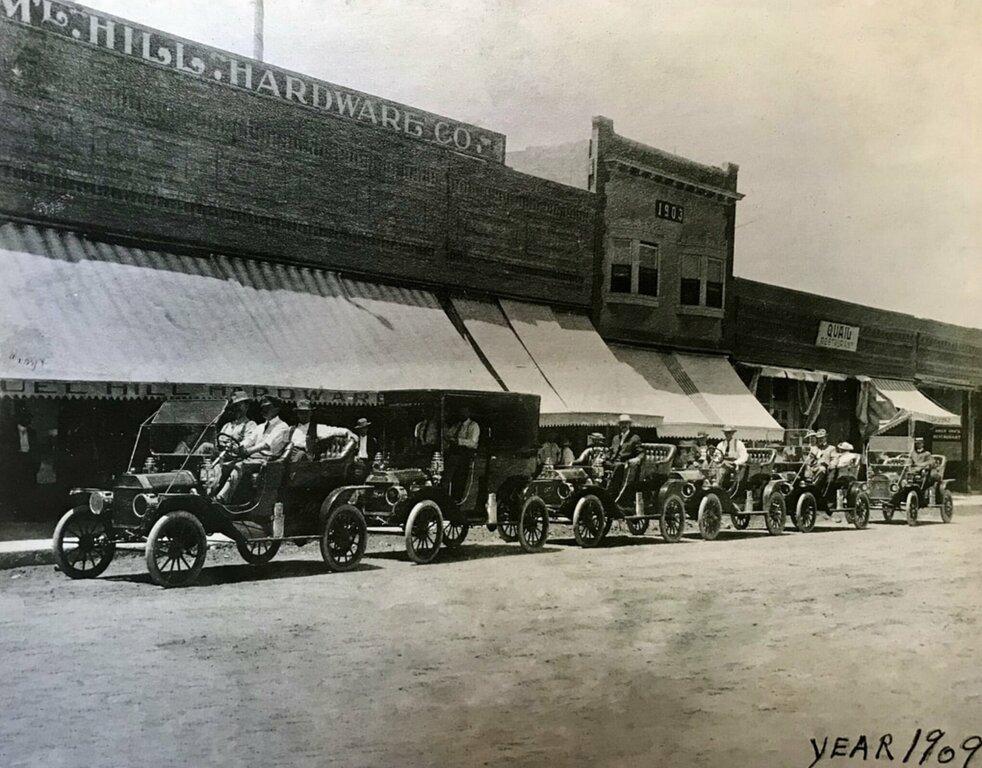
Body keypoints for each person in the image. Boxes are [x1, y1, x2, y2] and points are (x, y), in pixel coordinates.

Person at [215, 396, 291, 503]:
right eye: (263, 407)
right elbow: (249, 441)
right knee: (223, 465)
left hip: (268, 462)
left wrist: (248, 451)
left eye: (268, 407)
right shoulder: (260, 427)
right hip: (253, 460)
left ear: (276, 409)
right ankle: (211, 493)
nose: (264, 410)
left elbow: (266, 445)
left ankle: (222, 498)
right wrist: (237, 447)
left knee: (240, 465)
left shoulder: (282, 427)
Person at [445, 405, 480, 500]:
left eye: (464, 412)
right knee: (449, 478)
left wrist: (459, 441)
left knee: (460, 480)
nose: (462, 414)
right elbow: (448, 435)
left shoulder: (473, 425)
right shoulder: (457, 425)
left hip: (464, 455)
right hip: (453, 454)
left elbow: (473, 442)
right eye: (461, 412)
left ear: (469, 413)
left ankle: (457, 501)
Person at [609, 414, 643, 504]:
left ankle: (611, 493)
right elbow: (611, 451)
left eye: (626, 423)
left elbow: (641, 453)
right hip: (613, 462)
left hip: (625, 464)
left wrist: (637, 459)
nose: (623, 425)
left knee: (618, 466)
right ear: (619, 425)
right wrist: (603, 458)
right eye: (621, 423)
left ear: (629, 425)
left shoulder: (635, 438)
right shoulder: (616, 438)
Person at [713, 425, 748, 492]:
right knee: (712, 467)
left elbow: (744, 456)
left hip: (735, 465)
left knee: (722, 467)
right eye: (726, 433)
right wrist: (718, 460)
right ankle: (713, 485)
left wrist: (735, 463)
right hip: (723, 463)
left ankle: (718, 486)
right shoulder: (721, 444)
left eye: (729, 433)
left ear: (732, 433)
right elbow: (716, 456)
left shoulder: (738, 443)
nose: (727, 434)